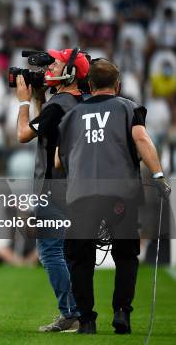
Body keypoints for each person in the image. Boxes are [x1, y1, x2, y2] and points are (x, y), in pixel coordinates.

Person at [57, 59, 171, 334]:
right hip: (121, 192)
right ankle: (122, 312)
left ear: (90, 85)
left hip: (81, 194)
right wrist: (158, 177)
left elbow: (59, 161)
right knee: (126, 254)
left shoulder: (70, 116)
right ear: (117, 85)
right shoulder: (127, 107)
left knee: (80, 257)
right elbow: (141, 140)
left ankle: (86, 320)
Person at [16, 48, 89, 332]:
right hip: (77, 187)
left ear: (70, 72)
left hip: (53, 188)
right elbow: (48, 129)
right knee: (72, 253)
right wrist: (37, 98)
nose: (49, 66)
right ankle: (82, 310)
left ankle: (70, 312)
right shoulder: (82, 102)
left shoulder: (57, 105)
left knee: (50, 252)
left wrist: (23, 103)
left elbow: (24, 134)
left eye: (56, 62)